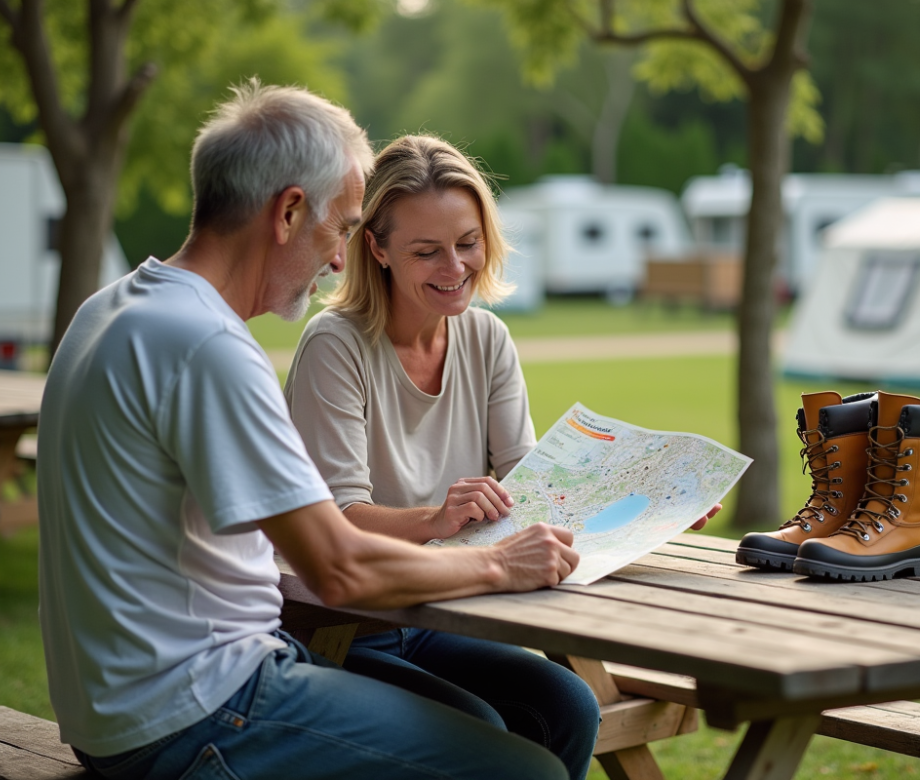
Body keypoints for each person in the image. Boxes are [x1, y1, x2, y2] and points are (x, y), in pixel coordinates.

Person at [36, 82, 579, 780]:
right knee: (526, 771)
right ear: (289, 211)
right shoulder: (207, 345)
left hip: (132, 706)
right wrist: (500, 565)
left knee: (531, 716)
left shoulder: (111, 310)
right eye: (342, 228)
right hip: (196, 711)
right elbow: (337, 565)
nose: (339, 260)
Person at [284, 135, 718, 779]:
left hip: (444, 612)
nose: (455, 266)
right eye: (426, 251)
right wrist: (436, 518)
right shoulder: (335, 345)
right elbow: (339, 518)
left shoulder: (487, 337)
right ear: (376, 249)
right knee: (482, 729)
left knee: (567, 705)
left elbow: (535, 486)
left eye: (468, 242)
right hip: (344, 626)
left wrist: (654, 506)